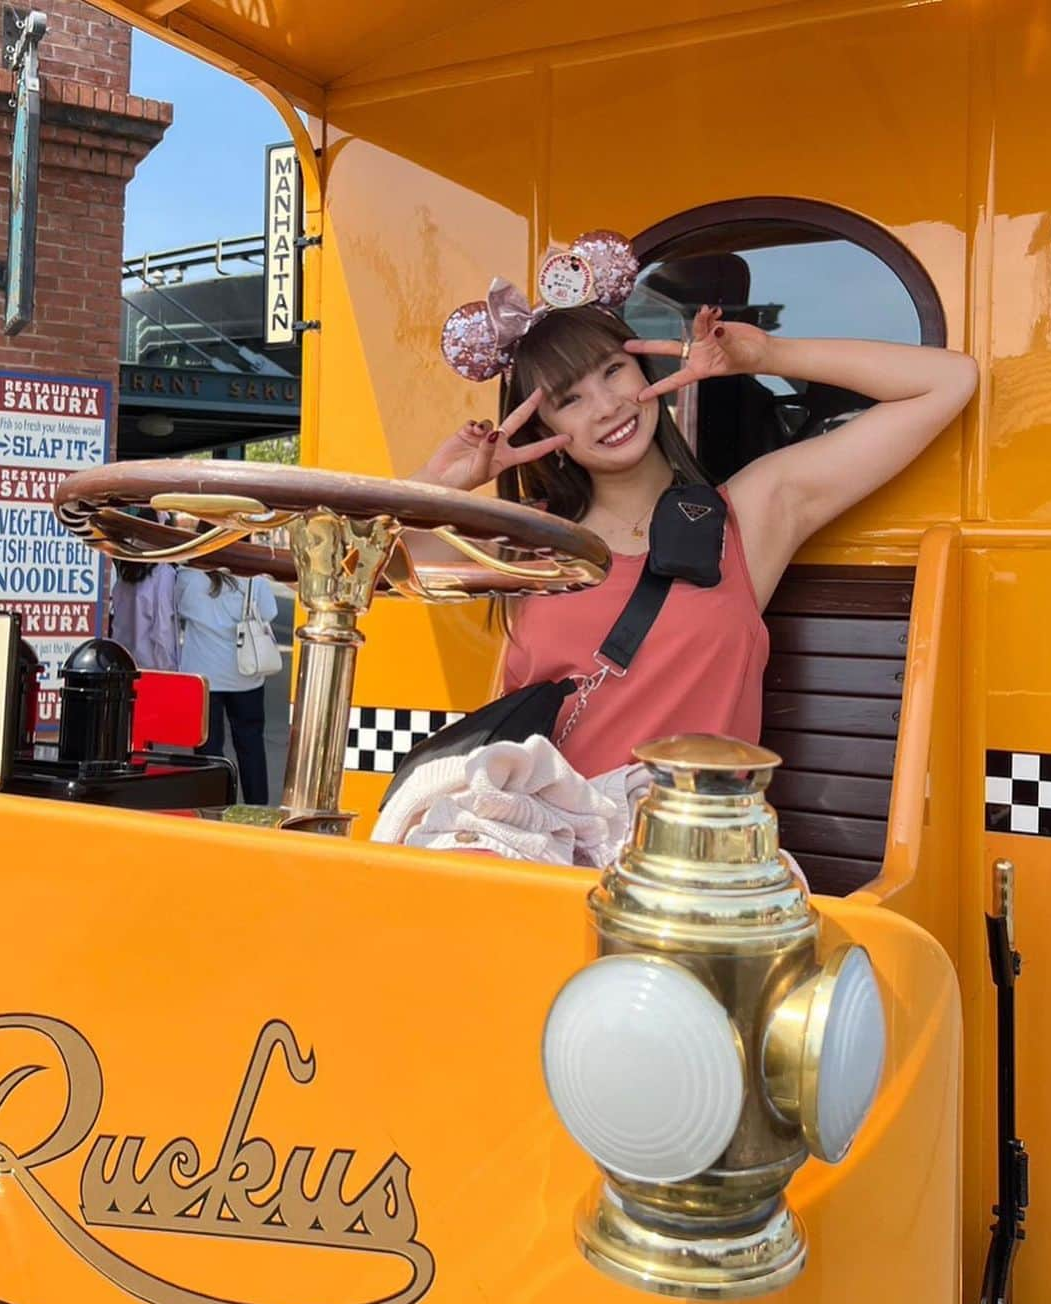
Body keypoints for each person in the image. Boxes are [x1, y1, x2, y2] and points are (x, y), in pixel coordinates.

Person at [385, 233, 977, 859]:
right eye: (570, 400)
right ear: (543, 427)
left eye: (613, 371)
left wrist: (768, 354)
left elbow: (947, 382)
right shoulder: (527, 536)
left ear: (647, 372)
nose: (607, 405)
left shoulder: (748, 514)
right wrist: (442, 486)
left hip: (688, 860)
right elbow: (352, 569)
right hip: (543, 850)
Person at [175, 566, 278, 805]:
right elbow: (269, 612)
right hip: (246, 675)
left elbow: (177, 608)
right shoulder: (253, 579)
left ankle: (212, 805)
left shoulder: (188, 578)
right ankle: (257, 807)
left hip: (202, 678)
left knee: (207, 747)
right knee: (251, 745)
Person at [109, 512, 180, 672]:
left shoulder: (124, 572)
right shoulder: (164, 573)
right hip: (153, 669)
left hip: (124, 665)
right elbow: (162, 630)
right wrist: (169, 669)